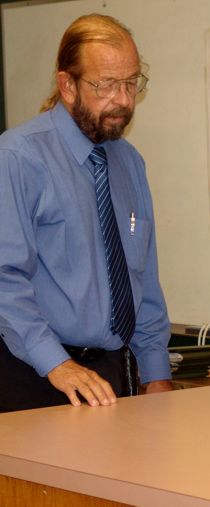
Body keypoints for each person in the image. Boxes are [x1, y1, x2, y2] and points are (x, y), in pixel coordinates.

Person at [0, 14, 172, 412]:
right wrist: (57, 364)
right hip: (36, 374)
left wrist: (156, 373)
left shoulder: (130, 163)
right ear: (67, 86)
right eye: (107, 85)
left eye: (131, 83)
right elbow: (5, 280)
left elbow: (143, 280)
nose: (125, 100)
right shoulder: (17, 157)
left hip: (111, 375)